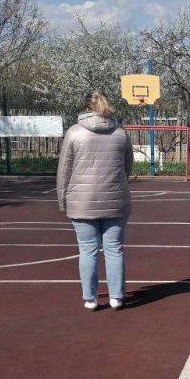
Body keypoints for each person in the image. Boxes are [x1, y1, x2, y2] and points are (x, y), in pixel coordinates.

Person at [57, 91, 133, 311]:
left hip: (81, 202)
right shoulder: (121, 133)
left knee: (88, 251)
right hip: (116, 200)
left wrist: (63, 200)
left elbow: (64, 171)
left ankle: (90, 298)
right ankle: (117, 297)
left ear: (86, 108)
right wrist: (118, 185)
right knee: (114, 250)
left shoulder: (74, 133)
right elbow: (127, 166)